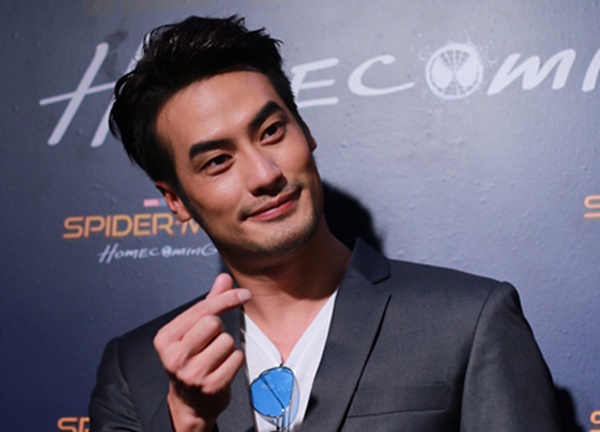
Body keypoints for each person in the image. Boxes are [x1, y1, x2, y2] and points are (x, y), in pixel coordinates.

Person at [89, 15, 561, 432]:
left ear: (306, 130)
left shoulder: (468, 321)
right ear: (175, 199)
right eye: (217, 161)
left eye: (272, 132)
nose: (265, 174)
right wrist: (186, 424)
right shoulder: (135, 369)